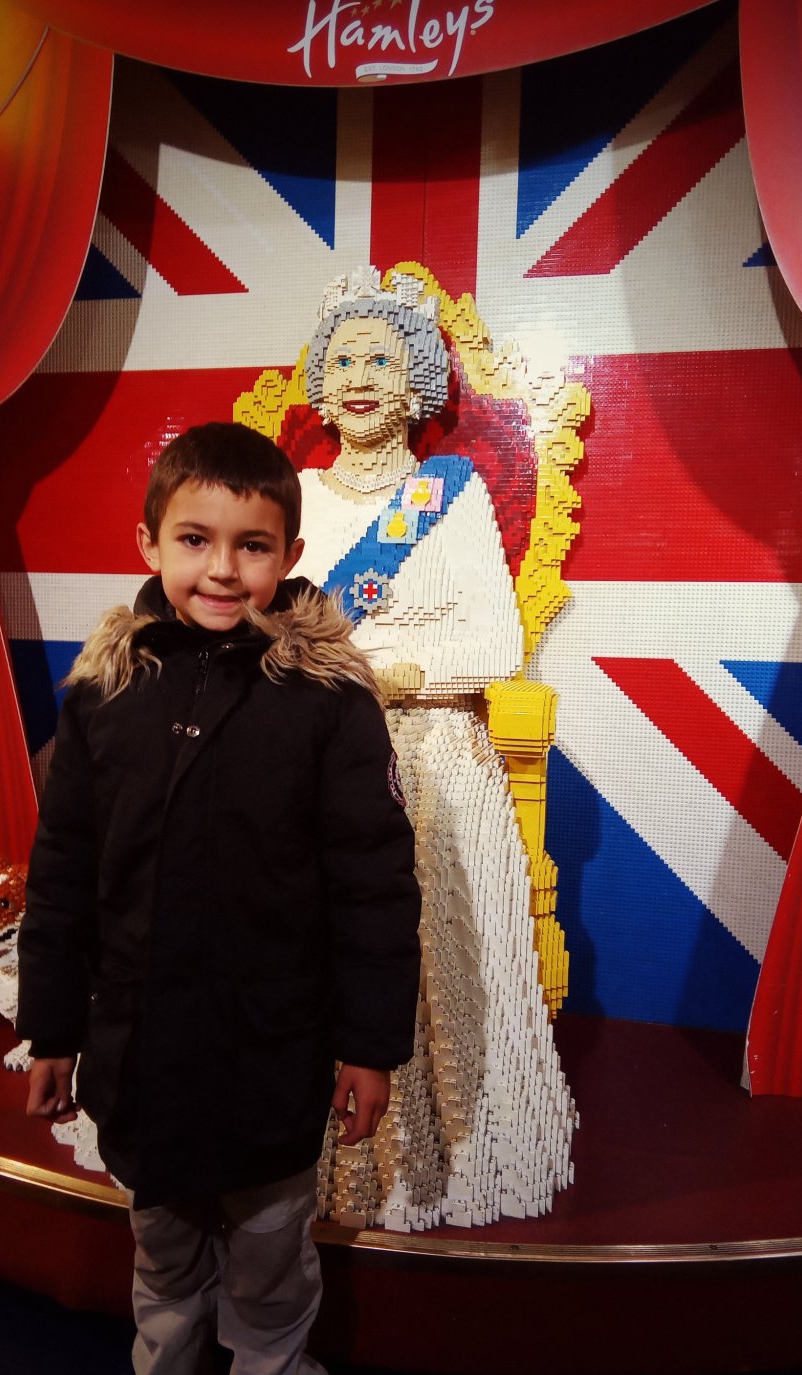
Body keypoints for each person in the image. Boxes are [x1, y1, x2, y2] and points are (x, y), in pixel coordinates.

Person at [15, 421, 421, 1375]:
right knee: (161, 1251)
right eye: (195, 540)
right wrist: (51, 1030)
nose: (223, 569)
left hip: (268, 1045)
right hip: (139, 1046)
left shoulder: (328, 699)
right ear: (149, 542)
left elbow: (373, 884)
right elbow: (63, 875)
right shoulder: (103, 693)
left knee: (269, 1255)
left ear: (290, 555)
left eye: (252, 545)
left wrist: (369, 1045)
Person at [294, 267, 577, 1231]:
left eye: (379, 359)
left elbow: (495, 645)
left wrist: (395, 674)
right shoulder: (295, 498)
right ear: (319, 382)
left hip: (432, 755)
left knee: (424, 960)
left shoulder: (448, 497)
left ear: (414, 378)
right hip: (315, 750)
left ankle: (440, 1156)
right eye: (342, 360)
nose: (358, 378)